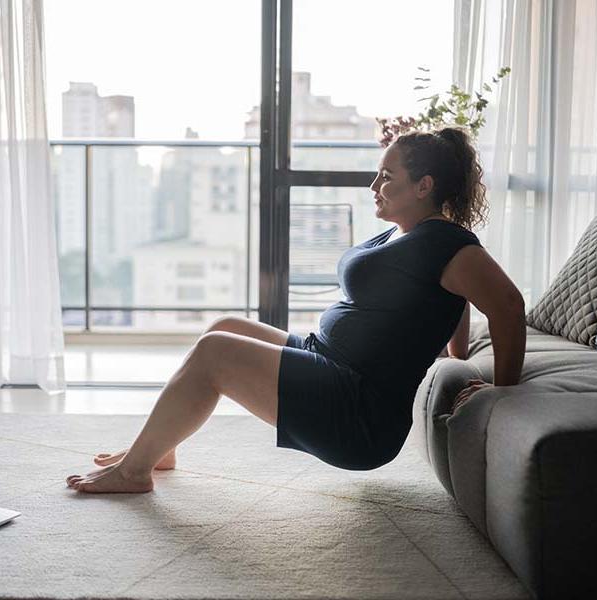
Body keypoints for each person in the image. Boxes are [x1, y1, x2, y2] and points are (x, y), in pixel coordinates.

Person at [65, 126, 526, 494]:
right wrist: (456, 354)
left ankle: (135, 472)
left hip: (357, 407)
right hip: (329, 359)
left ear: (424, 185)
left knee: (215, 351)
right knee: (224, 326)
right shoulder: (410, 234)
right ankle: (159, 449)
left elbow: (506, 305)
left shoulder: (450, 243)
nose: (374, 185)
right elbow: (454, 298)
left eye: (387, 176)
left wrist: (502, 390)